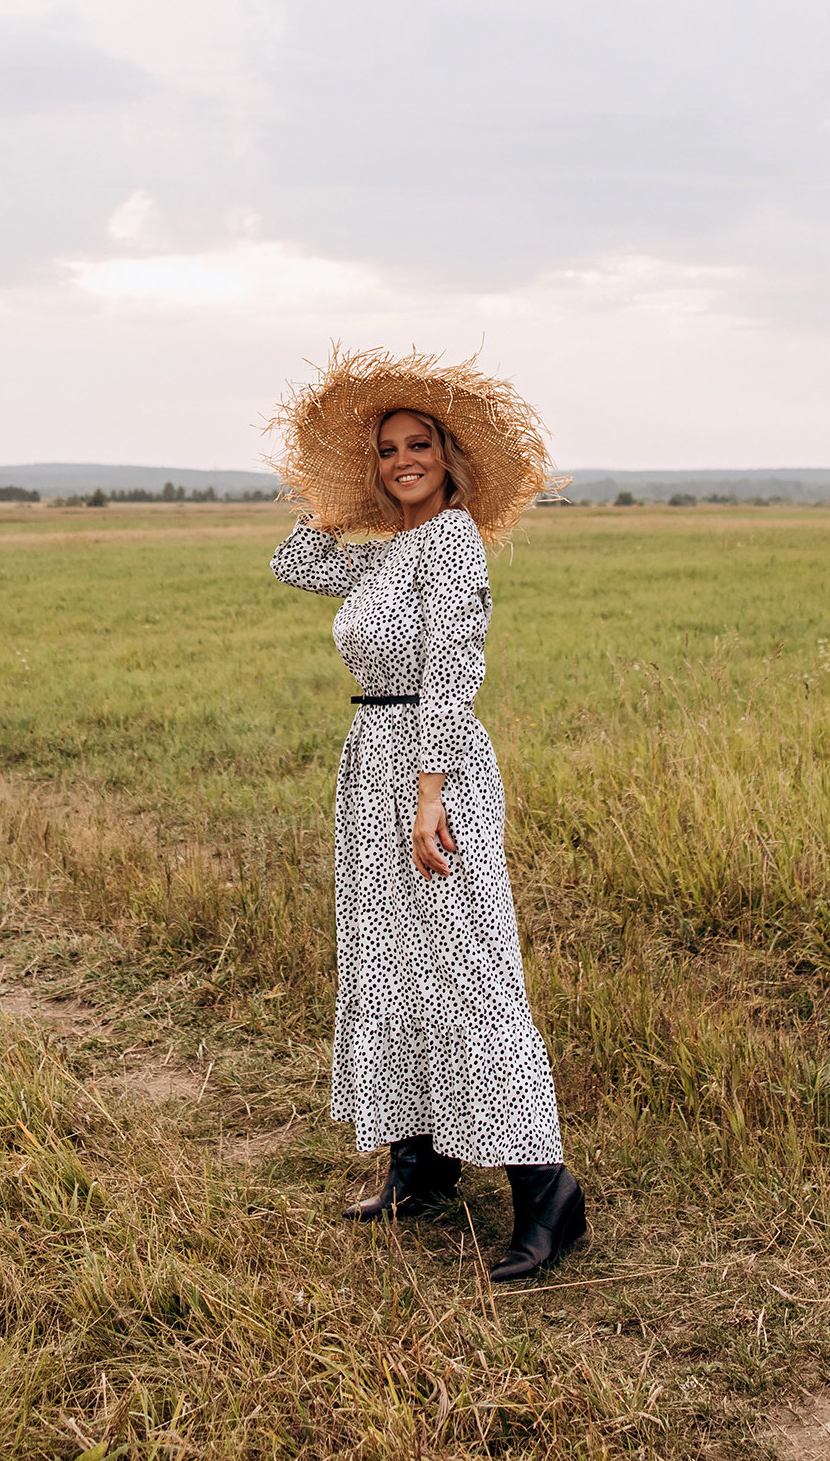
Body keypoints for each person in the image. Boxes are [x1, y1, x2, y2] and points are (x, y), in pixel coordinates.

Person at [265, 346, 586, 1282]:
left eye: (419, 445)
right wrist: (335, 491)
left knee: (462, 969)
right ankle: (421, 1160)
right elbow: (294, 560)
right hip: (372, 759)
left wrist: (431, 791)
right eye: (386, 449)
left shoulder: (447, 543)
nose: (402, 459)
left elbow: (454, 669)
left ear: (451, 458)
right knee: (388, 961)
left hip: (424, 764)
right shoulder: (393, 551)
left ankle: (544, 1190)